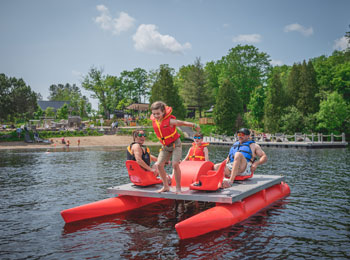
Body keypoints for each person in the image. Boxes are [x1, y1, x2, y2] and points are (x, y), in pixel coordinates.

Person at [150, 101, 201, 193]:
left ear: (163, 112)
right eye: (154, 114)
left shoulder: (169, 121)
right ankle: (166, 186)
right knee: (159, 165)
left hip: (175, 145)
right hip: (165, 146)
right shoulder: (155, 121)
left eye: (158, 113)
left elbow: (181, 123)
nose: (156, 116)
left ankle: (178, 187)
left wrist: (194, 125)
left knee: (175, 164)